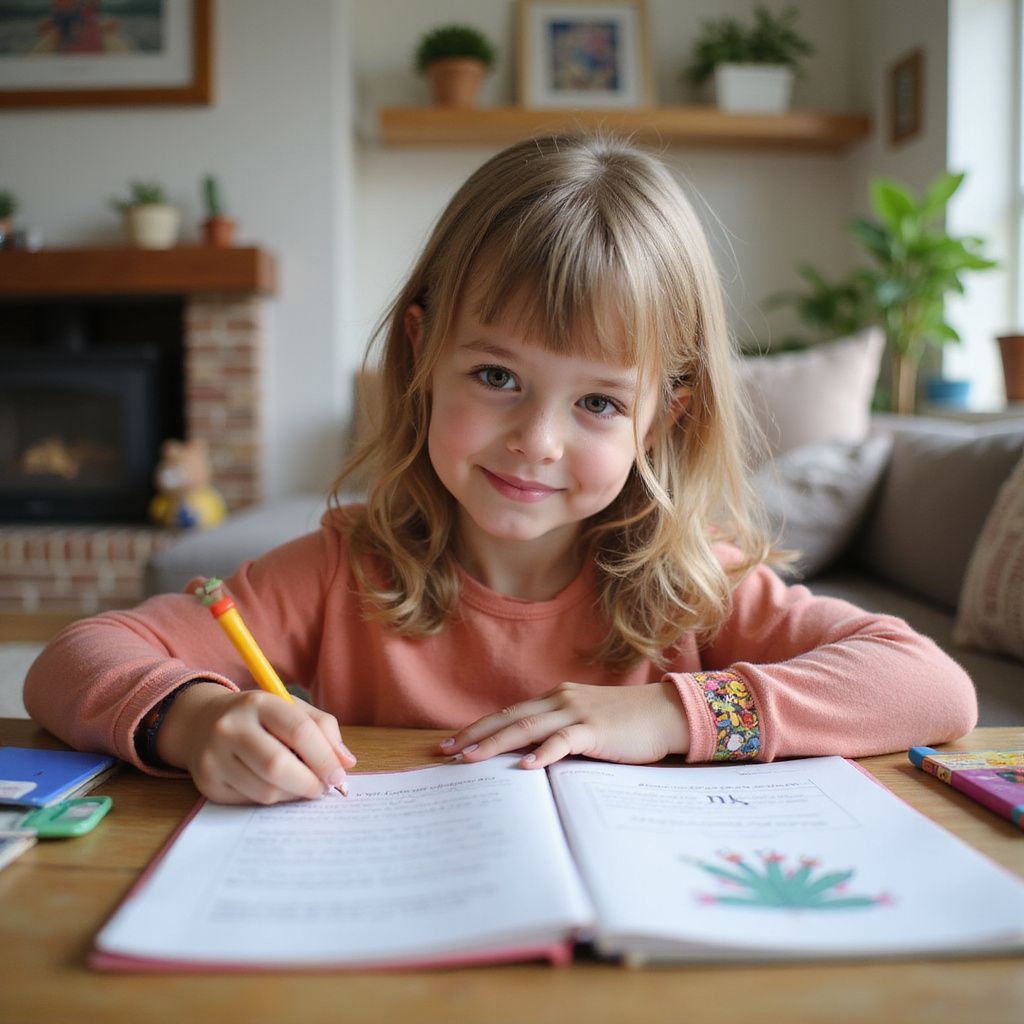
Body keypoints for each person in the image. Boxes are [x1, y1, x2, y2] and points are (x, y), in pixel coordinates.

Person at [24, 135, 977, 805]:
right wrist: (193, 723)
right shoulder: (340, 568)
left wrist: (669, 712)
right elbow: (73, 660)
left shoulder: (700, 589)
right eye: (496, 376)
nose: (538, 440)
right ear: (422, 354)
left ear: (663, 417)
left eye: (598, 402)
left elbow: (930, 686)